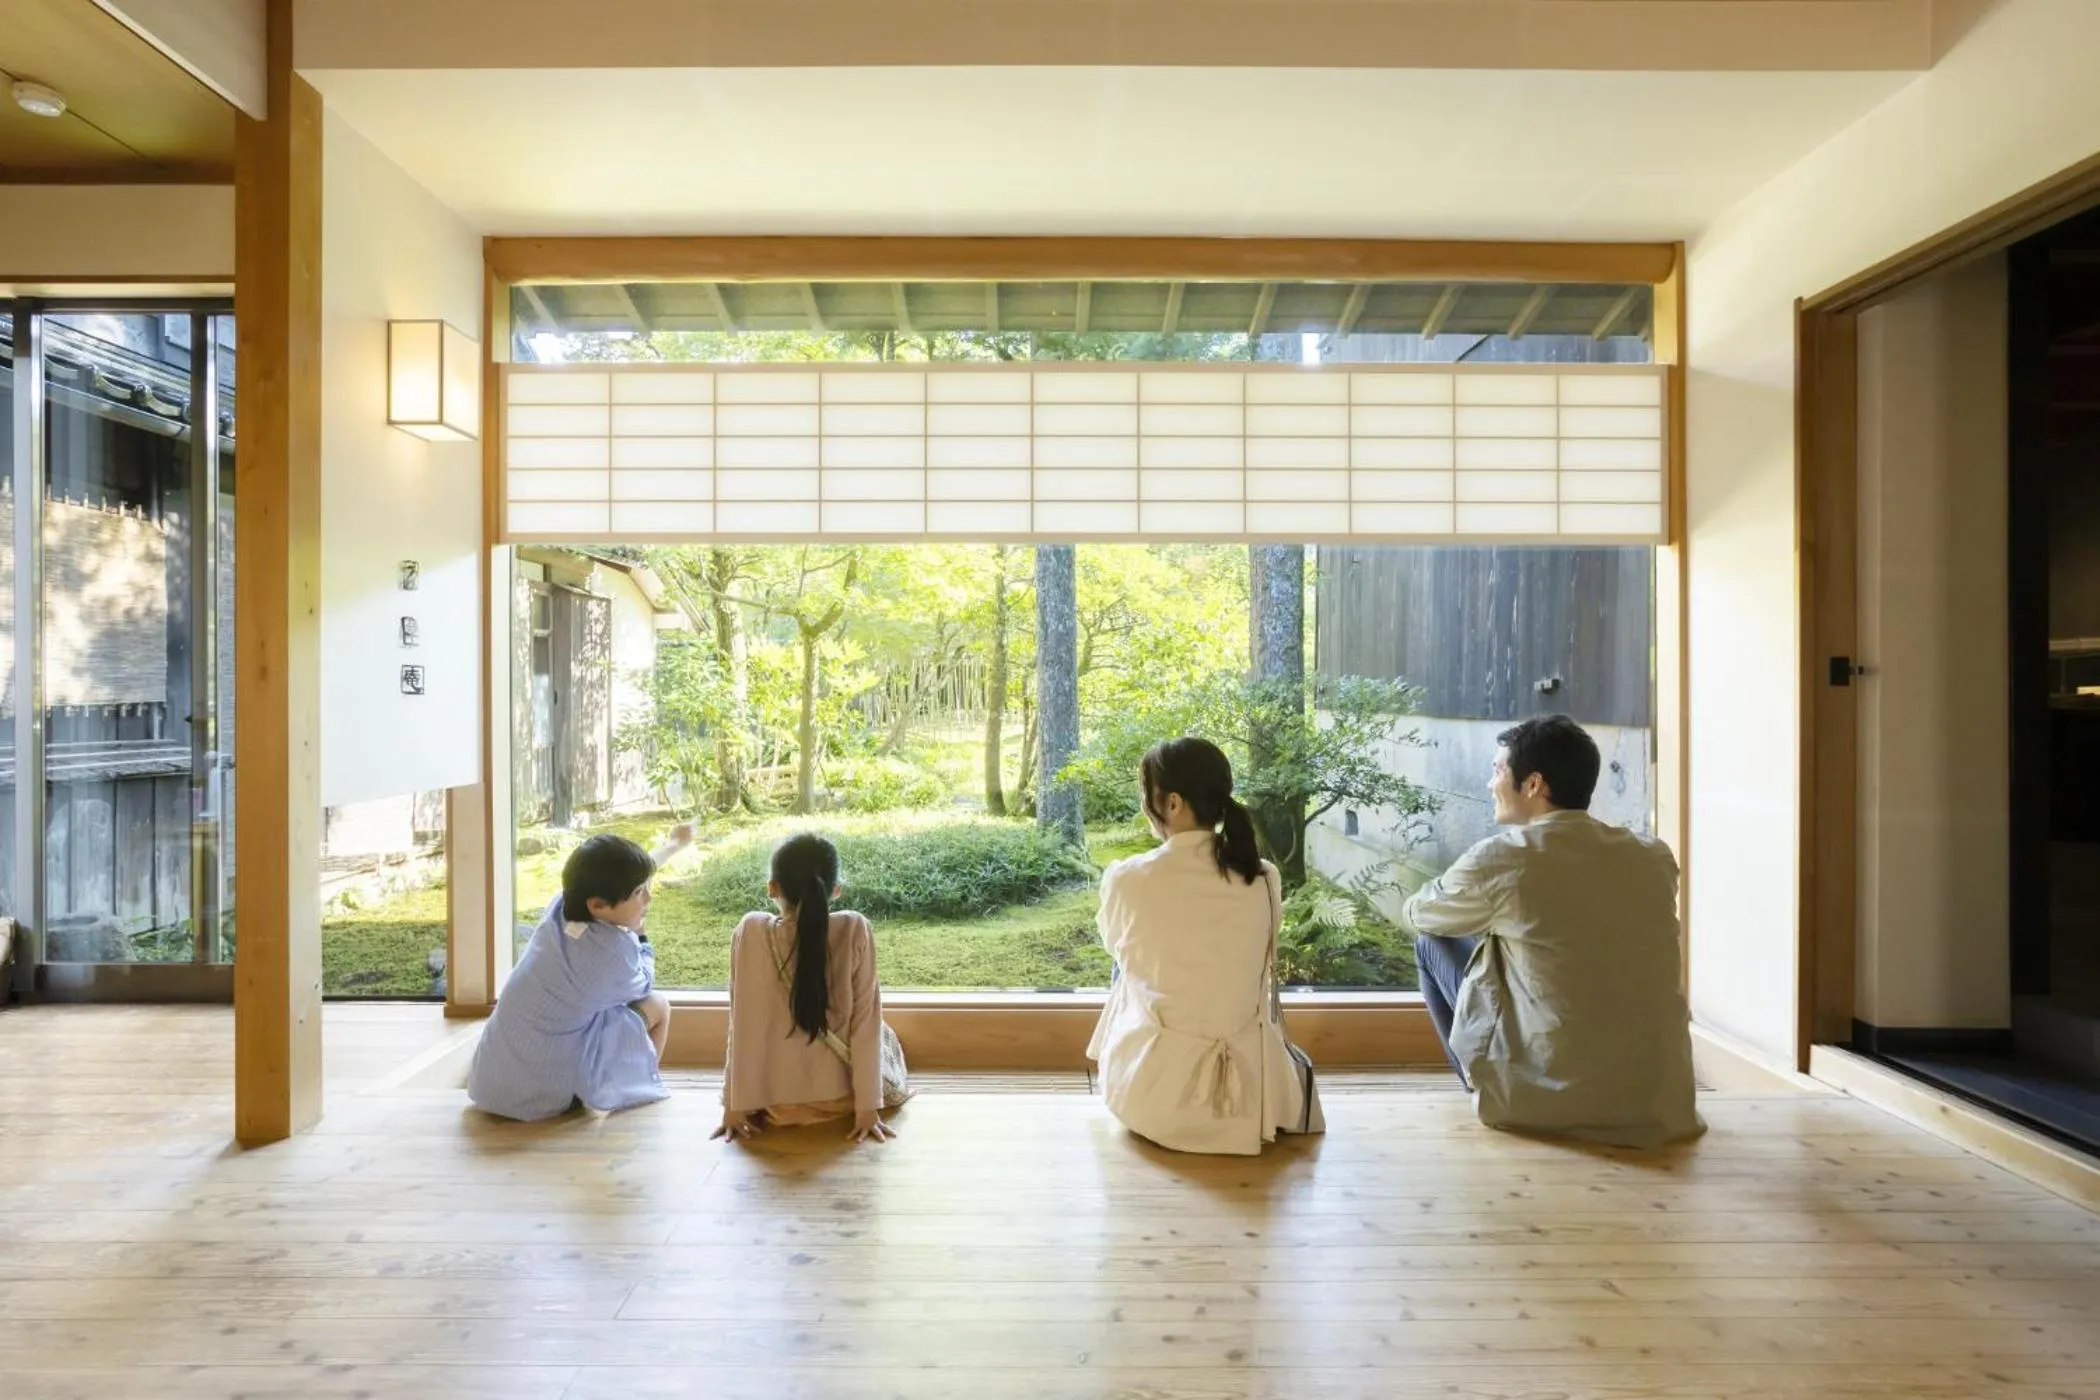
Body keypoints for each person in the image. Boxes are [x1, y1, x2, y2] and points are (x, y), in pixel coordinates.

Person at [1405, 715, 1702, 1149]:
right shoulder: (1653, 856)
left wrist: (1490, 922)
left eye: (1497, 771)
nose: (1491, 784)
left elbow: (1420, 914)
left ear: (1533, 784)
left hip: (1544, 1105)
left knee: (1434, 941)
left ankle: (1482, 1086)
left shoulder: (1507, 857)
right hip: (1658, 1104)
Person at [1087, 737, 1306, 1156]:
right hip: (1257, 1098)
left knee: (1127, 966)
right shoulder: (1263, 877)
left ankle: (1121, 1066)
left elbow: (1114, 945)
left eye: (1144, 794)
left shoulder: (1130, 878)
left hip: (1155, 1100)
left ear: (1172, 803)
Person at [467, 825, 693, 1121]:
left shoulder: (560, 907)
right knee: (658, 1004)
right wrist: (641, 938)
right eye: (639, 893)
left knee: (595, 1008)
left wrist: (673, 845)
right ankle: (636, 1094)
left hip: (489, 1087)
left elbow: (624, 877)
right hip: (543, 1099)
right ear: (598, 904)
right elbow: (644, 983)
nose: (647, 899)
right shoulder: (612, 956)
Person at [714, 833, 903, 1145]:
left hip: (776, 1106)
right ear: (836, 890)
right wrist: (867, 1110)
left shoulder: (750, 931)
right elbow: (865, 1024)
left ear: (772, 887)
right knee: (883, 1032)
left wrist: (734, 1107)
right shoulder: (856, 928)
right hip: (843, 1101)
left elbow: (742, 1023)